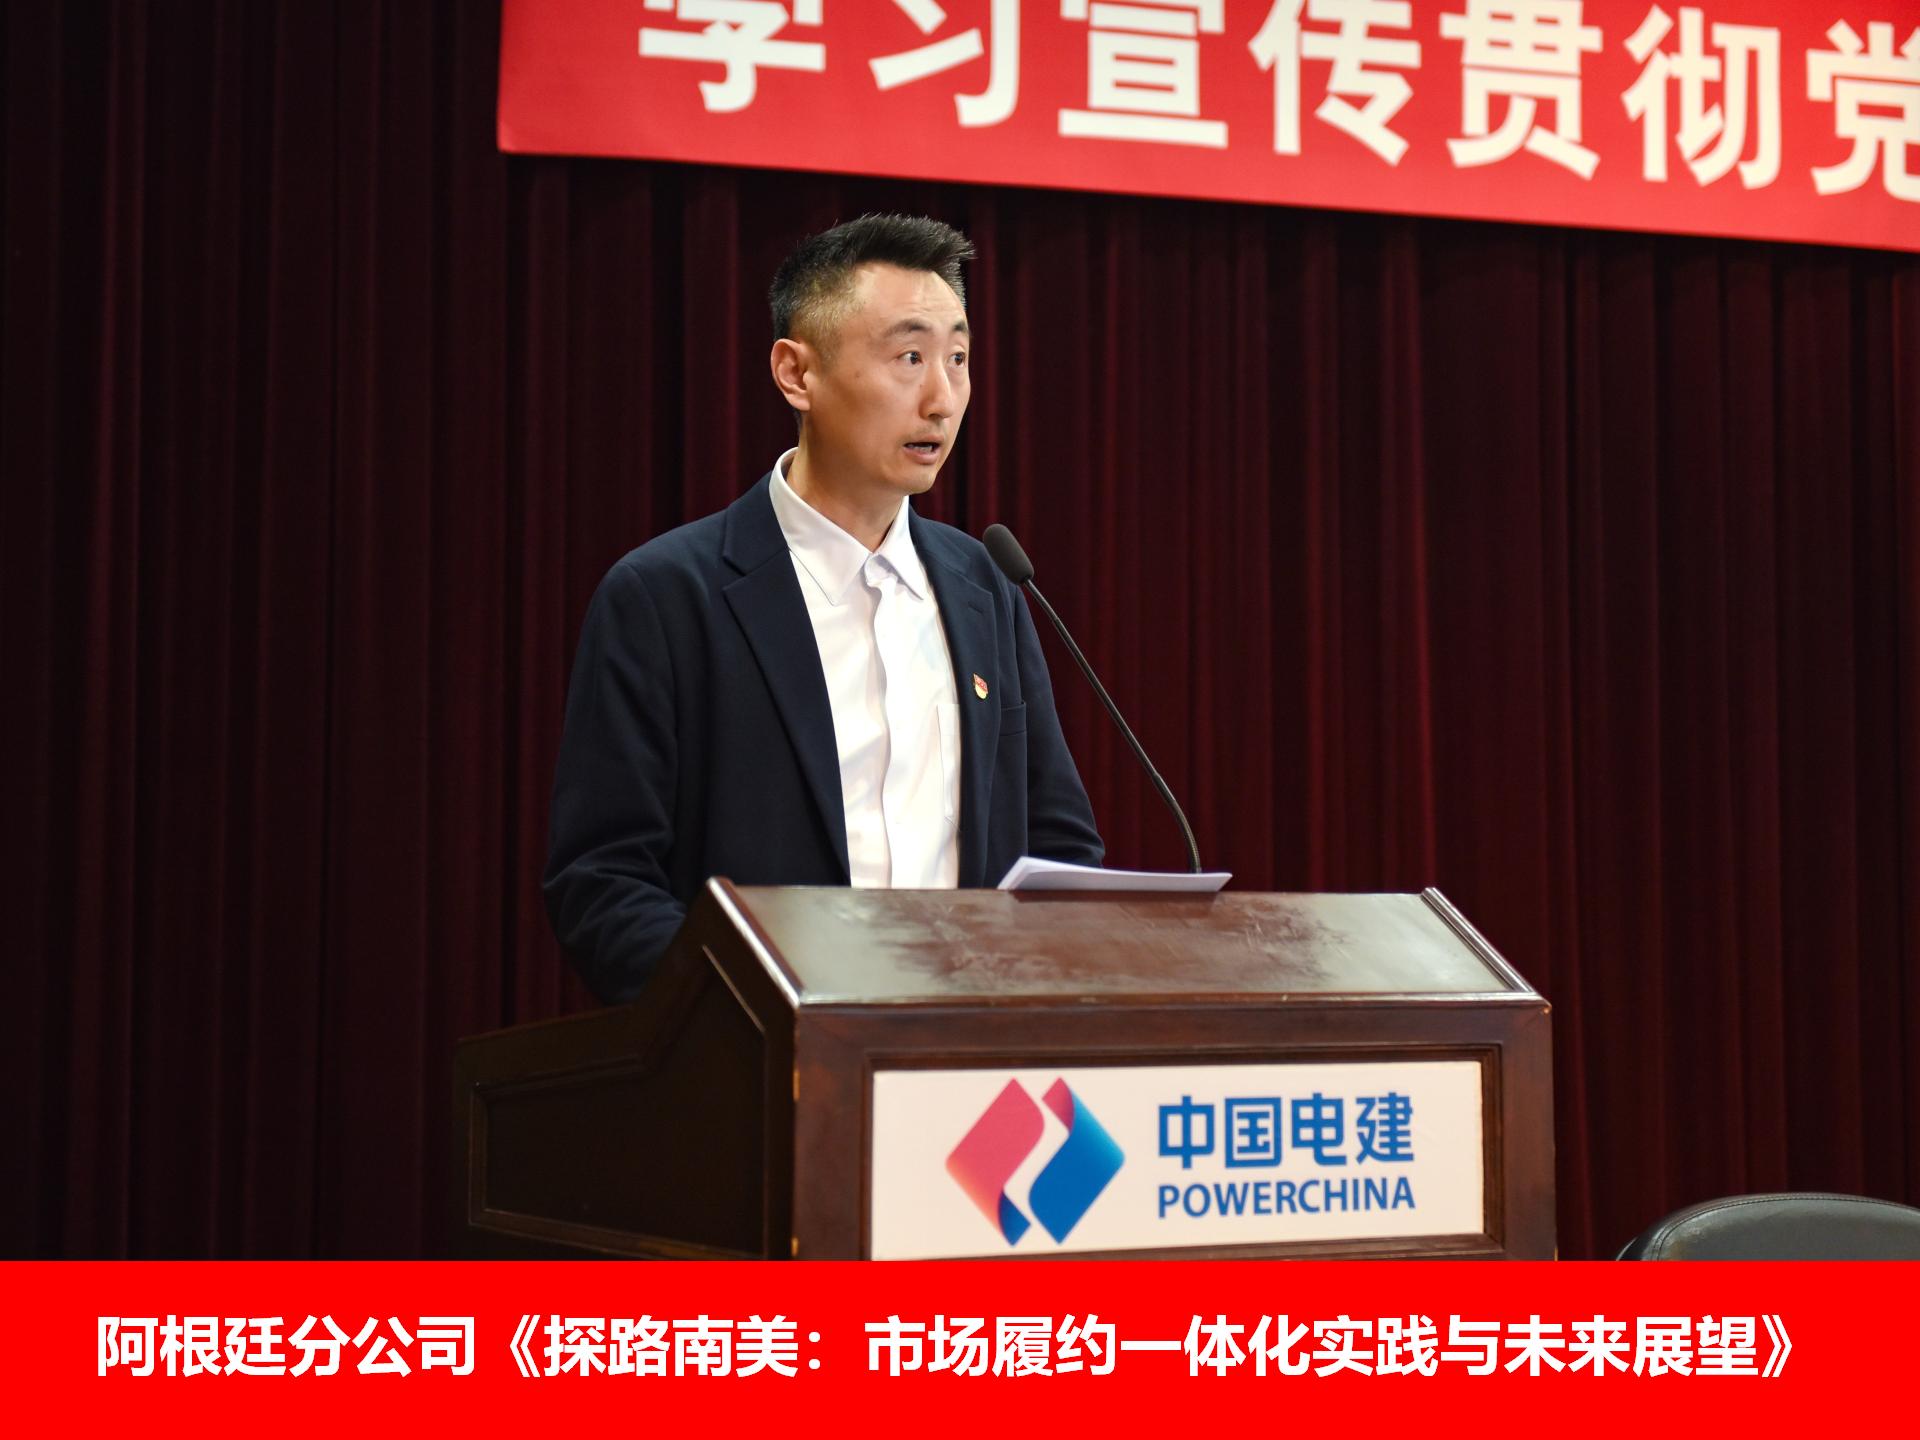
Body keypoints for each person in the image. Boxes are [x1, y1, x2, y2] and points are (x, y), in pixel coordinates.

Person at [544, 214, 1103, 1003]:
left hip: (968, 1058)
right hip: (766, 1059)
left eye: (958, 358)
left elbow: (1058, 848)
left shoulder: (986, 588)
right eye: (909, 358)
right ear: (796, 374)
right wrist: (761, 1021)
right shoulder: (666, 597)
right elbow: (603, 881)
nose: (942, 399)